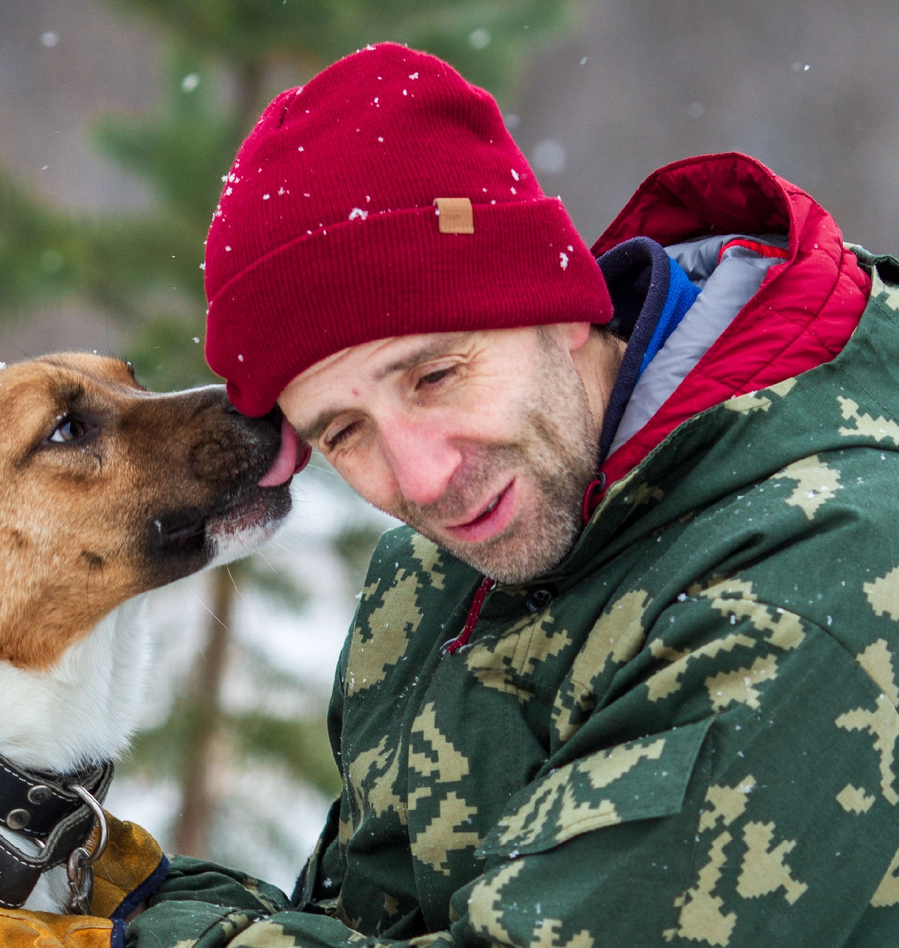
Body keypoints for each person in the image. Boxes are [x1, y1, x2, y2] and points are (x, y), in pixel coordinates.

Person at [125, 41, 899, 948]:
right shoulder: (440, 574)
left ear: (565, 303)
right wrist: (116, 889)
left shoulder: (810, 587)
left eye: (437, 375)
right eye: (344, 432)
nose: (422, 479)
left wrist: (120, 938)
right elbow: (357, 926)